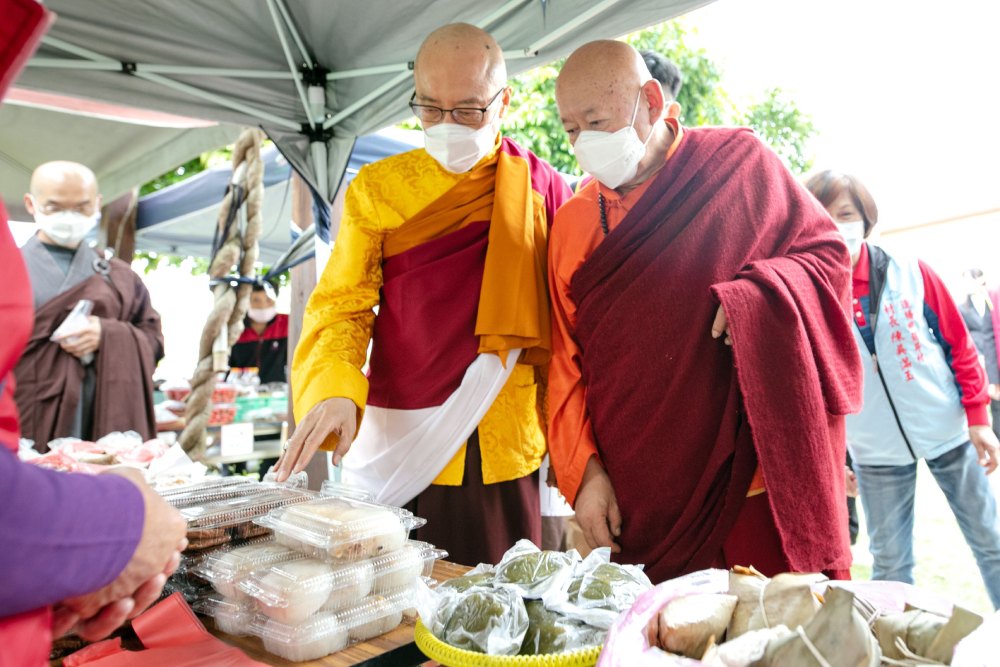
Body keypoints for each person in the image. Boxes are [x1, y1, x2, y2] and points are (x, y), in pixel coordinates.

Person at [547, 40, 862, 584]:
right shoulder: (573, 223)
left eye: (596, 121)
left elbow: (828, 258)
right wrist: (585, 474)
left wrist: (761, 298)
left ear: (650, 99)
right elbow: (564, 361)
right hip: (642, 494)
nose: (584, 143)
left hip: (758, 478)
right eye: (571, 130)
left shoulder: (738, 165)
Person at [275, 23, 572, 566]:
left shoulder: (543, 189)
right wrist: (335, 387)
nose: (446, 125)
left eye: (467, 110)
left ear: (504, 101)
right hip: (400, 430)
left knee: (498, 611)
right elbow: (343, 303)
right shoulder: (379, 188)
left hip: (505, 437)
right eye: (430, 108)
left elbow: (568, 326)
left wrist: (576, 449)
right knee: (391, 610)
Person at [806, 170, 1000, 609]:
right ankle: (898, 646)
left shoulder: (909, 269)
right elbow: (818, 390)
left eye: (846, 214)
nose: (836, 225)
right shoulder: (813, 293)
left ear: (866, 218)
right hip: (874, 451)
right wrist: (838, 458)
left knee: (991, 541)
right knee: (890, 565)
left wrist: (978, 419)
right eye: (823, 215)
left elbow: (959, 345)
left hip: (947, 430)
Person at [16, 161, 164, 449]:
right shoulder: (7, 270)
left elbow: (154, 342)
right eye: (55, 207)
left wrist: (108, 335)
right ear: (31, 204)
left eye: (81, 207)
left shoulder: (120, 277)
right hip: (28, 415)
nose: (69, 217)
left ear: (97, 204)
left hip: (103, 417)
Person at [959, 267, 1000, 439]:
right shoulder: (963, 308)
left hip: (990, 356)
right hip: (984, 359)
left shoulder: (992, 296)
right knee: (996, 404)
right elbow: (982, 335)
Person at [229, 280, 289, 384]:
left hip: (276, 392)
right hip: (241, 391)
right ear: (246, 302)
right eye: (256, 300)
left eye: (268, 300)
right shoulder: (234, 328)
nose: (263, 306)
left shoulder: (287, 324)